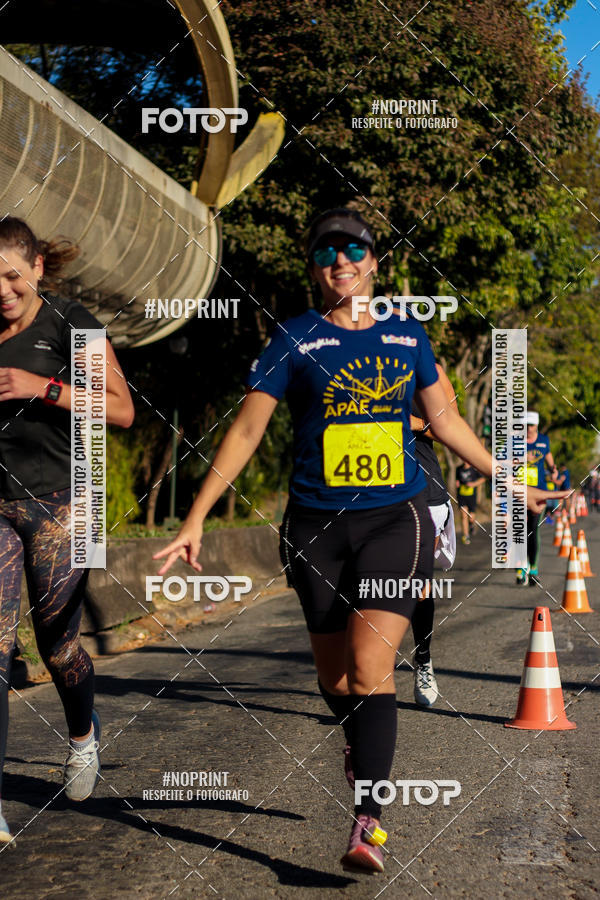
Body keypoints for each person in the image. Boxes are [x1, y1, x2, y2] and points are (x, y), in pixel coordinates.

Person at [154, 208, 565, 874]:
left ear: (376, 263)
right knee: (335, 676)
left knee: (372, 672)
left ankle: (368, 823)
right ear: (314, 268)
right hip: (316, 526)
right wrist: (196, 514)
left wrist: (508, 479)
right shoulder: (294, 339)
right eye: (325, 253)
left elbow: (447, 420)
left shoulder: (407, 338)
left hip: (391, 519)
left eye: (353, 250)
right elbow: (246, 433)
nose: (340, 261)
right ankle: (358, 741)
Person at [0, 217, 135, 842]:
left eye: (12, 275)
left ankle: (82, 735)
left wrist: (42, 387)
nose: (3, 289)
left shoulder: (71, 324)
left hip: (67, 501)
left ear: (37, 271)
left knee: (58, 646)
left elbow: (121, 409)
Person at [409, 365, 457, 708]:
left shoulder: (431, 371)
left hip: (424, 490)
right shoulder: (348, 358)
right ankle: (364, 673)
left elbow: (448, 428)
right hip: (364, 487)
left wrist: (404, 421)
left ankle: (422, 658)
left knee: (418, 584)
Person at [516, 410, 558, 585]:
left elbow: (549, 459)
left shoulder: (543, 441)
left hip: (538, 493)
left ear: (537, 426)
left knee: (533, 530)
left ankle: (533, 567)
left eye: (531, 426)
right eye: (525, 426)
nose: (528, 429)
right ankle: (520, 567)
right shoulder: (515, 441)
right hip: (518, 492)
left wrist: (554, 470)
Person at [455, 461, 485, 544]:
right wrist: (457, 482)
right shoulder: (459, 468)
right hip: (461, 495)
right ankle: (466, 536)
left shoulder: (474, 469)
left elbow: (483, 478)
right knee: (464, 515)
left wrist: (474, 484)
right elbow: (457, 479)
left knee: (471, 518)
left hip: (471, 496)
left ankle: (471, 525)